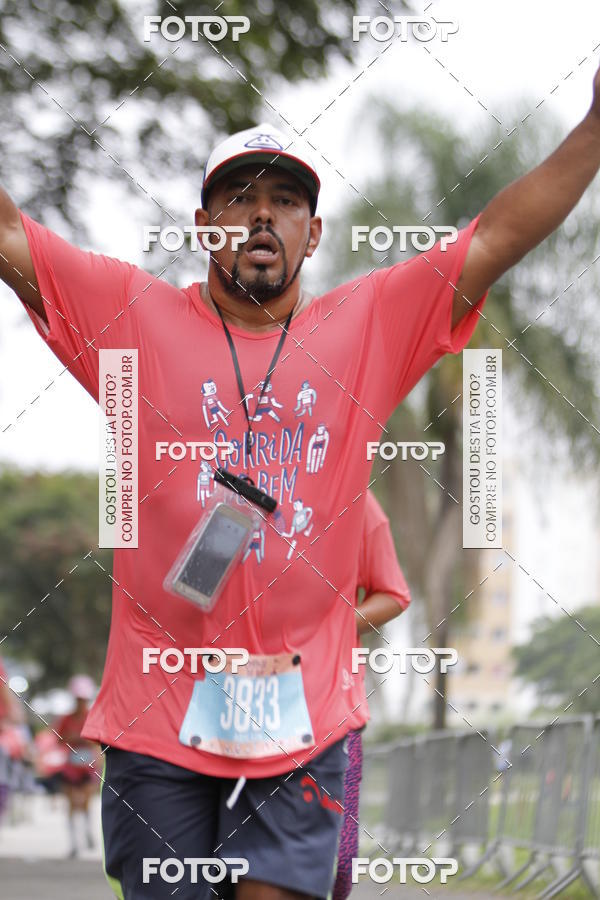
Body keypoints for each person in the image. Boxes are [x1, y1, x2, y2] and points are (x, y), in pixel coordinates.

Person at [1, 61, 600, 896]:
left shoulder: (369, 323)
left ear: (312, 233)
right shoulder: (128, 315)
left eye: (284, 201)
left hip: (299, 706)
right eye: (238, 198)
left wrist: (596, 128)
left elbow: (494, 240)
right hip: (157, 704)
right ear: (204, 224)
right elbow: (10, 237)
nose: (260, 215)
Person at [333, 489, 411, 900]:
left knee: (339, 859)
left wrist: (325, 629)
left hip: (332, 709)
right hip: (230, 700)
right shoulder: (225, 484)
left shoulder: (357, 500)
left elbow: (394, 594)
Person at [55, 675, 99, 857]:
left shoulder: (93, 716)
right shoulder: (66, 719)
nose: (81, 702)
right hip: (71, 768)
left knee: (87, 803)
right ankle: (74, 843)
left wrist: (86, 740)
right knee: (72, 804)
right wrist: (71, 738)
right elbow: (58, 739)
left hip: (88, 767)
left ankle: (89, 833)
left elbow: (99, 741)